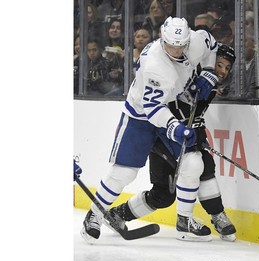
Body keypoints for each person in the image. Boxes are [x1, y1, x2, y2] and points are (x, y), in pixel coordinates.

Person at [81, 16, 219, 243]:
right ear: (161, 39)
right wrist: (174, 126)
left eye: (180, 45)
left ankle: (184, 221)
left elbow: (212, 44)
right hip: (141, 116)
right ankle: (94, 215)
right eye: (170, 46)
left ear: (187, 40)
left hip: (171, 108)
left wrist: (209, 71)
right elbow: (152, 108)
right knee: (124, 172)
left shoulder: (196, 40)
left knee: (193, 162)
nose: (176, 51)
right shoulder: (154, 65)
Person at [107, 44, 237, 242]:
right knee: (164, 194)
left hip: (186, 134)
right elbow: (164, 107)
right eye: (219, 65)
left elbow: (196, 116)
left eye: (227, 68)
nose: (222, 71)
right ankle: (118, 215)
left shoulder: (210, 84)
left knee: (203, 167)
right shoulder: (188, 74)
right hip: (163, 136)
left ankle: (216, 215)